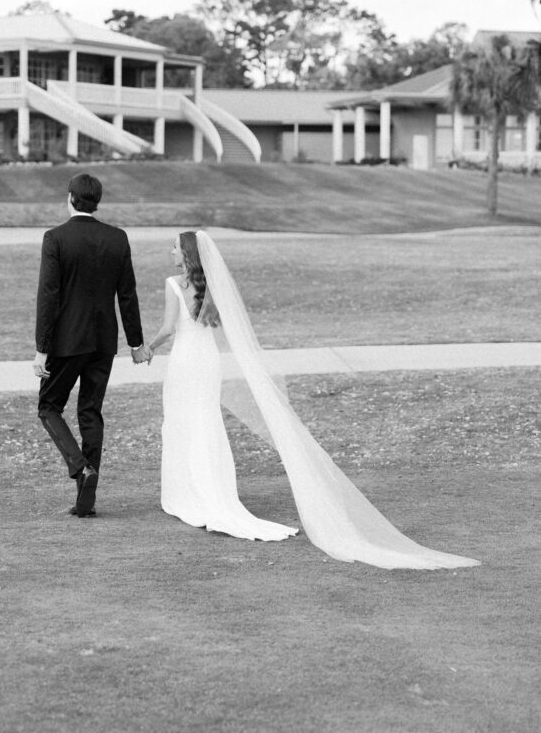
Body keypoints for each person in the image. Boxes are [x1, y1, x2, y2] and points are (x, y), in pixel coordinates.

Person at [148, 230, 480, 569]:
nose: (170, 250)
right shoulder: (211, 287)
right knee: (206, 424)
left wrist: (146, 348)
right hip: (206, 362)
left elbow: (167, 329)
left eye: (174, 246)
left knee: (181, 423)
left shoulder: (173, 283)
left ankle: (186, 494)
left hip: (185, 361)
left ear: (186, 255)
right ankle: (209, 491)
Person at [34, 173, 151, 518]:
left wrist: (42, 348)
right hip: (102, 341)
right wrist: (136, 343)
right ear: (97, 200)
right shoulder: (117, 238)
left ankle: (80, 469)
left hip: (66, 342)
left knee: (48, 406)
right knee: (90, 410)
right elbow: (127, 294)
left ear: (70, 197)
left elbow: (48, 297)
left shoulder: (55, 238)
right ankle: (87, 495)